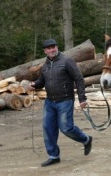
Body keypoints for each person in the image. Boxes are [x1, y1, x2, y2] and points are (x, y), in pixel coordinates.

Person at [30, 39, 93, 167]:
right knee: (48, 129)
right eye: (49, 48)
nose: (52, 50)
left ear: (57, 47)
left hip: (65, 100)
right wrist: (35, 84)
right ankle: (53, 156)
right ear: (45, 51)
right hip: (50, 102)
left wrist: (82, 98)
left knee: (66, 128)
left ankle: (86, 139)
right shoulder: (46, 65)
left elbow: (79, 79)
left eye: (53, 47)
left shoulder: (67, 61)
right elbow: (42, 81)